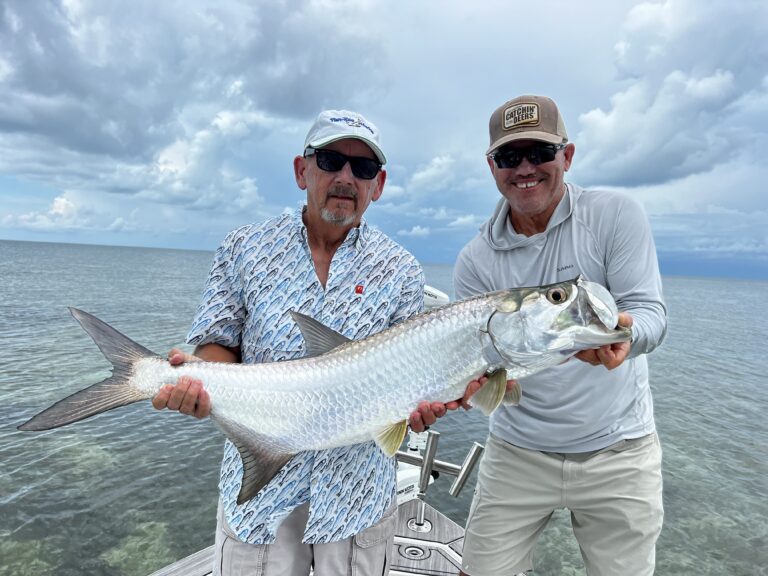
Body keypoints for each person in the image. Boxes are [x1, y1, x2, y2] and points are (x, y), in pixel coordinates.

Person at [150, 109, 453, 575]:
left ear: (379, 185)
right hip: (260, 494)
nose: (346, 177)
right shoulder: (245, 248)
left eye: (364, 168)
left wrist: (422, 408)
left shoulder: (402, 271)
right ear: (301, 170)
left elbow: (408, 388)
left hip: (357, 496)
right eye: (331, 160)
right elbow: (217, 345)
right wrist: (203, 385)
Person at [456, 95, 667, 576]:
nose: (525, 168)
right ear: (493, 166)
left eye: (540, 153)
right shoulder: (475, 261)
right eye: (510, 157)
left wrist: (626, 340)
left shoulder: (615, 216)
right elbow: (490, 379)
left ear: (566, 157)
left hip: (620, 448)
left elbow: (651, 312)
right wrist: (467, 388)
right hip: (517, 451)